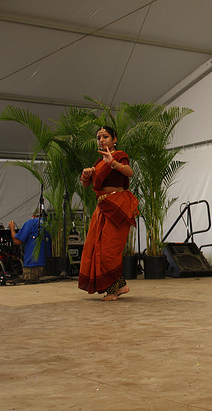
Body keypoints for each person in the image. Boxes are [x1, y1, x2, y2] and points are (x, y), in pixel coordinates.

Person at [78, 126, 139, 301]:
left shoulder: (119, 155)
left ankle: (113, 289)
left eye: (105, 136)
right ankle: (121, 286)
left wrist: (113, 163)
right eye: (99, 137)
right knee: (98, 248)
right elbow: (86, 185)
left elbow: (130, 172)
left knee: (109, 250)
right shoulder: (98, 162)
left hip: (118, 206)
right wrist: (86, 175)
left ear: (114, 139)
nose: (101, 140)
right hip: (102, 207)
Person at [8, 207, 52, 280]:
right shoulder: (50, 225)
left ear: (34, 216)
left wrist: (12, 228)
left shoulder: (31, 223)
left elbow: (17, 241)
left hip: (32, 265)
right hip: (48, 265)